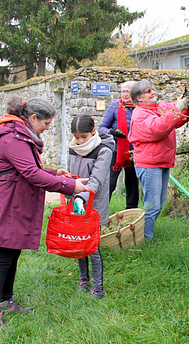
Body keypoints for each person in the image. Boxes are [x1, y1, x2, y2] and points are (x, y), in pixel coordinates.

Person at [0, 96, 90, 327]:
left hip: (9, 204)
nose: (47, 129)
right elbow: (30, 173)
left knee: (11, 256)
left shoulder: (18, 133)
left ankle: (6, 301)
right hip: (3, 207)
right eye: (46, 124)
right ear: (33, 118)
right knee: (0, 261)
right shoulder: (14, 137)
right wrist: (70, 186)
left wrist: (55, 173)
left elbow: (26, 167)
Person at [128, 80, 189, 240]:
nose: (152, 93)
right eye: (148, 91)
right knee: (152, 205)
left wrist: (188, 107)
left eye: (152, 89)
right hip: (149, 165)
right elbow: (160, 127)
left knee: (160, 203)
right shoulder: (140, 116)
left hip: (162, 161)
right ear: (139, 97)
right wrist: (179, 107)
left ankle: (143, 234)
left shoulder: (159, 107)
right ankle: (145, 239)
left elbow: (176, 119)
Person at [67, 114, 114, 298]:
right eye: (76, 137)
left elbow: (96, 180)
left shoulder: (104, 150)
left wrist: (82, 198)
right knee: (79, 242)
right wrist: (68, 191)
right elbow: (71, 174)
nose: (79, 141)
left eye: (83, 137)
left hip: (93, 203)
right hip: (76, 203)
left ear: (93, 132)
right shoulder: (73, 148)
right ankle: (84, 280)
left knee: (92, 245)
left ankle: (99, 288)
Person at [99, 81, 140, 210]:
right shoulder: (114, 107)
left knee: (132, 184)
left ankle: (131, 213)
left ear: (134, 93)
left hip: (134, 152)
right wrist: (112, 132)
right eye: (123, 91)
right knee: (110, 182)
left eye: (128, 91)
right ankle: (101, 212)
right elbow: (102, 128)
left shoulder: (139, 108)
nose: (125, 94)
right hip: (116, 151)